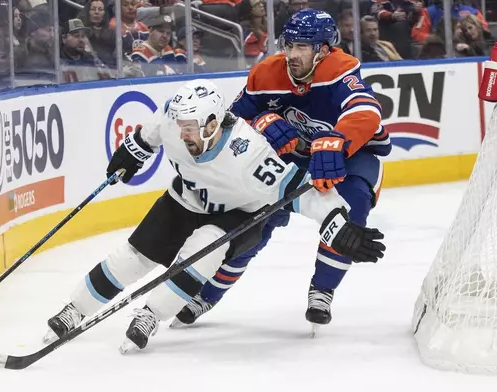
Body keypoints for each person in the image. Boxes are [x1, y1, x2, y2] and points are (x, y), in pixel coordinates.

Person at [41, 79, 385, 353]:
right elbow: (151, 133)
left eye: (190, 126)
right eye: (180, 124)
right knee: (130, 260)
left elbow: (304, 193)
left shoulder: (250, 155)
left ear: (212, 123)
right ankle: (74, 309)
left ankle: (150, 315)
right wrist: (134, 151)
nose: (182, 132)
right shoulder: (174, 121)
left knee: (196, 263)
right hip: (184, 200)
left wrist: (339, 227)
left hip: (229, 216)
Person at [173, 9, 391, 334]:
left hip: (350, 156)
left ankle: (322, 290)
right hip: (294, 159)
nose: (292, 54)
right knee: (253, 220)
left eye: (303, 47)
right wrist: (261, 124)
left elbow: (366, 109)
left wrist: (338, 141)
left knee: (352, 206)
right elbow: (231, 121)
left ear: (323, 50)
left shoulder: (339, 70)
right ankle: (207, 293)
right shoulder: (266, 75)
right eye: (289, 45)